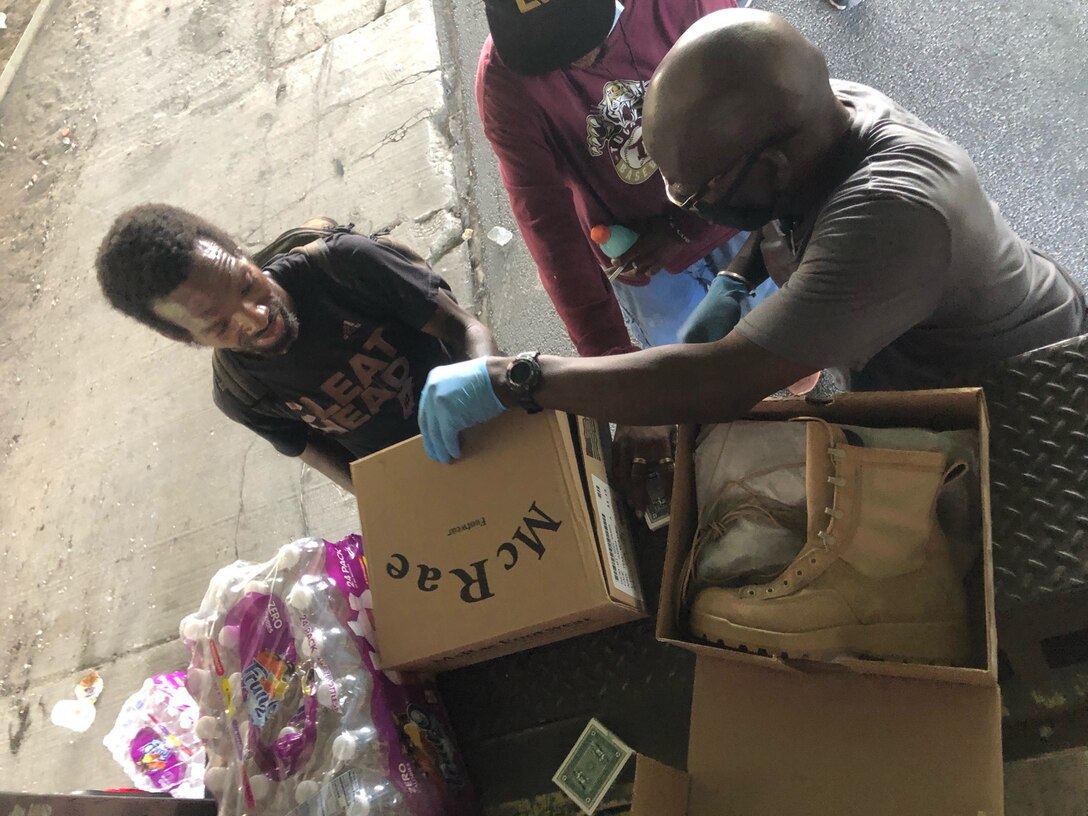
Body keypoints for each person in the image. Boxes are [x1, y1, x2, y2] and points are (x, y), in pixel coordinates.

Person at [418, 8, 1085, 507]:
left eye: (700, 194)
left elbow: (724, 379)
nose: (695, 213)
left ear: (771, 164)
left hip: (1026, 399)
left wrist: (518, 378)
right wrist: (736, 280)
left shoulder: (892, 218)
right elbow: (786, 215)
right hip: (920, 359)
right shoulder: (821, 116)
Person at [478, 0, 779, 491]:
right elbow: (548, 228)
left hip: (741, 208)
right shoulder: (504, 82)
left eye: (584, 47)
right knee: (694, 376)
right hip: (640, 260)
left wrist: (685, 228)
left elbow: (764, 114)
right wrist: (617, 371)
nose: (573, 66)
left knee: (777, 329)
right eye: (551, 62)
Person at [96, 204, 499, 491]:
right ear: (183, 337)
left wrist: (482, 381)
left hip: (491, 425)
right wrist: (394, 506)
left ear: (240, 251)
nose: (257, 318)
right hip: (423, 482)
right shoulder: (242, 394)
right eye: (220, 324)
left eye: (246, 284)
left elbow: (463, 327)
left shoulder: (343, 266)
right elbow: (345, 471)